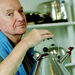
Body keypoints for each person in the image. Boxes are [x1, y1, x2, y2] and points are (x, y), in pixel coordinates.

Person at [0, 0, 53, 75]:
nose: (21, 18)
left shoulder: (24, 49)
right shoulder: (24, 45)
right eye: (10, 14)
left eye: (21, 11)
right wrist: (26, 43)